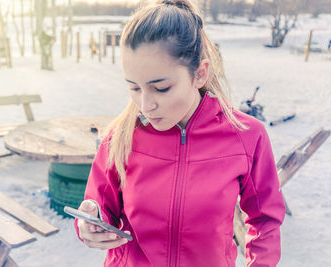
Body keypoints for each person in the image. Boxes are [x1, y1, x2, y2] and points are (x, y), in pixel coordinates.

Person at [74, 0, 286, 266]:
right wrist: (91, 221)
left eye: (160, 88)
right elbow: (99, 206)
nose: (145, 105)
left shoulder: (247, 136)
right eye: (134, 88)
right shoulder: (120, 137)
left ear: (199, 73)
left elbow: (265, 218)